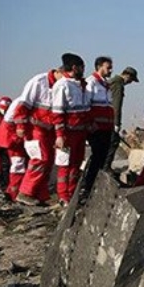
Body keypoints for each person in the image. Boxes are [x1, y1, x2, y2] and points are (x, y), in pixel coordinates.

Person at [14, 65, 64, 206]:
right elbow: (23, 105)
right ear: (58, 72)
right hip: (35, 129)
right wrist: (20, 125)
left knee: (48, 162)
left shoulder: (60, 86)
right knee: (40, 159)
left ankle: (39, 195)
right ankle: (25, 192)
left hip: (49, 131)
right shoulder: (38, 82)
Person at [50, 53, 91, 205]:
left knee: (76, 164)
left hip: (80, 132)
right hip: (68, 133)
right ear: (75, 68)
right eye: (82, 67)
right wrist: (60, 135)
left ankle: (72, 194)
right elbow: (58, 113)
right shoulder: (62, 86)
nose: (84, 70)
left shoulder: (80, 85)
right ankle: (63, 196)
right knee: (64, 165)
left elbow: (85, 109)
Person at [82, 56, 115, 200]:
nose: (110, 70)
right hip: (96, 129)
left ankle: (96, 187)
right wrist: (90, 124)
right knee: (96, 158)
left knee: (102, 159)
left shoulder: (105, 85)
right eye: (108, 67)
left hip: (106, 128)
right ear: (99, 66)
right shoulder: (91, 83)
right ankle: (87, 187)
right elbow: (85, 105)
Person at [105, 66, 138, 170]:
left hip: (105, 118)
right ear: (127, 75)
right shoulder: (118, 83)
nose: (130, 83)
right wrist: (116, 124)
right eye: (131, 80)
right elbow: (116, 105)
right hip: (109, 119)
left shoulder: (113, 82)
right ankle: (105, 169)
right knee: (112, 143)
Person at [0, 96, 11, 199]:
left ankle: (5, 186)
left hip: (4, 143)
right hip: (2, 143)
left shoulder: (7, 117)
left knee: (6, 165)